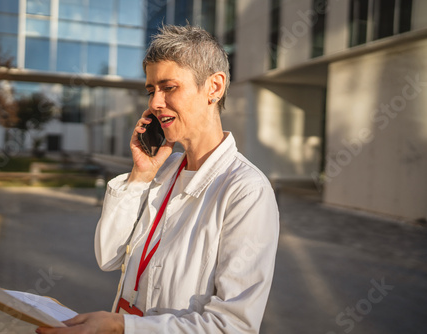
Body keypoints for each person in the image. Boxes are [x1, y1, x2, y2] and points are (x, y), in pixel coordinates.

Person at [37, 24, 279, 334]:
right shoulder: (162, 170)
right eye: (152, 90)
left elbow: (231, 326)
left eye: (169, 87)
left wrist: (123, 326)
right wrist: (139, 176)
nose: (154, 102)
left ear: (214, 88)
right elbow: (108, 256)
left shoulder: (246, 191)